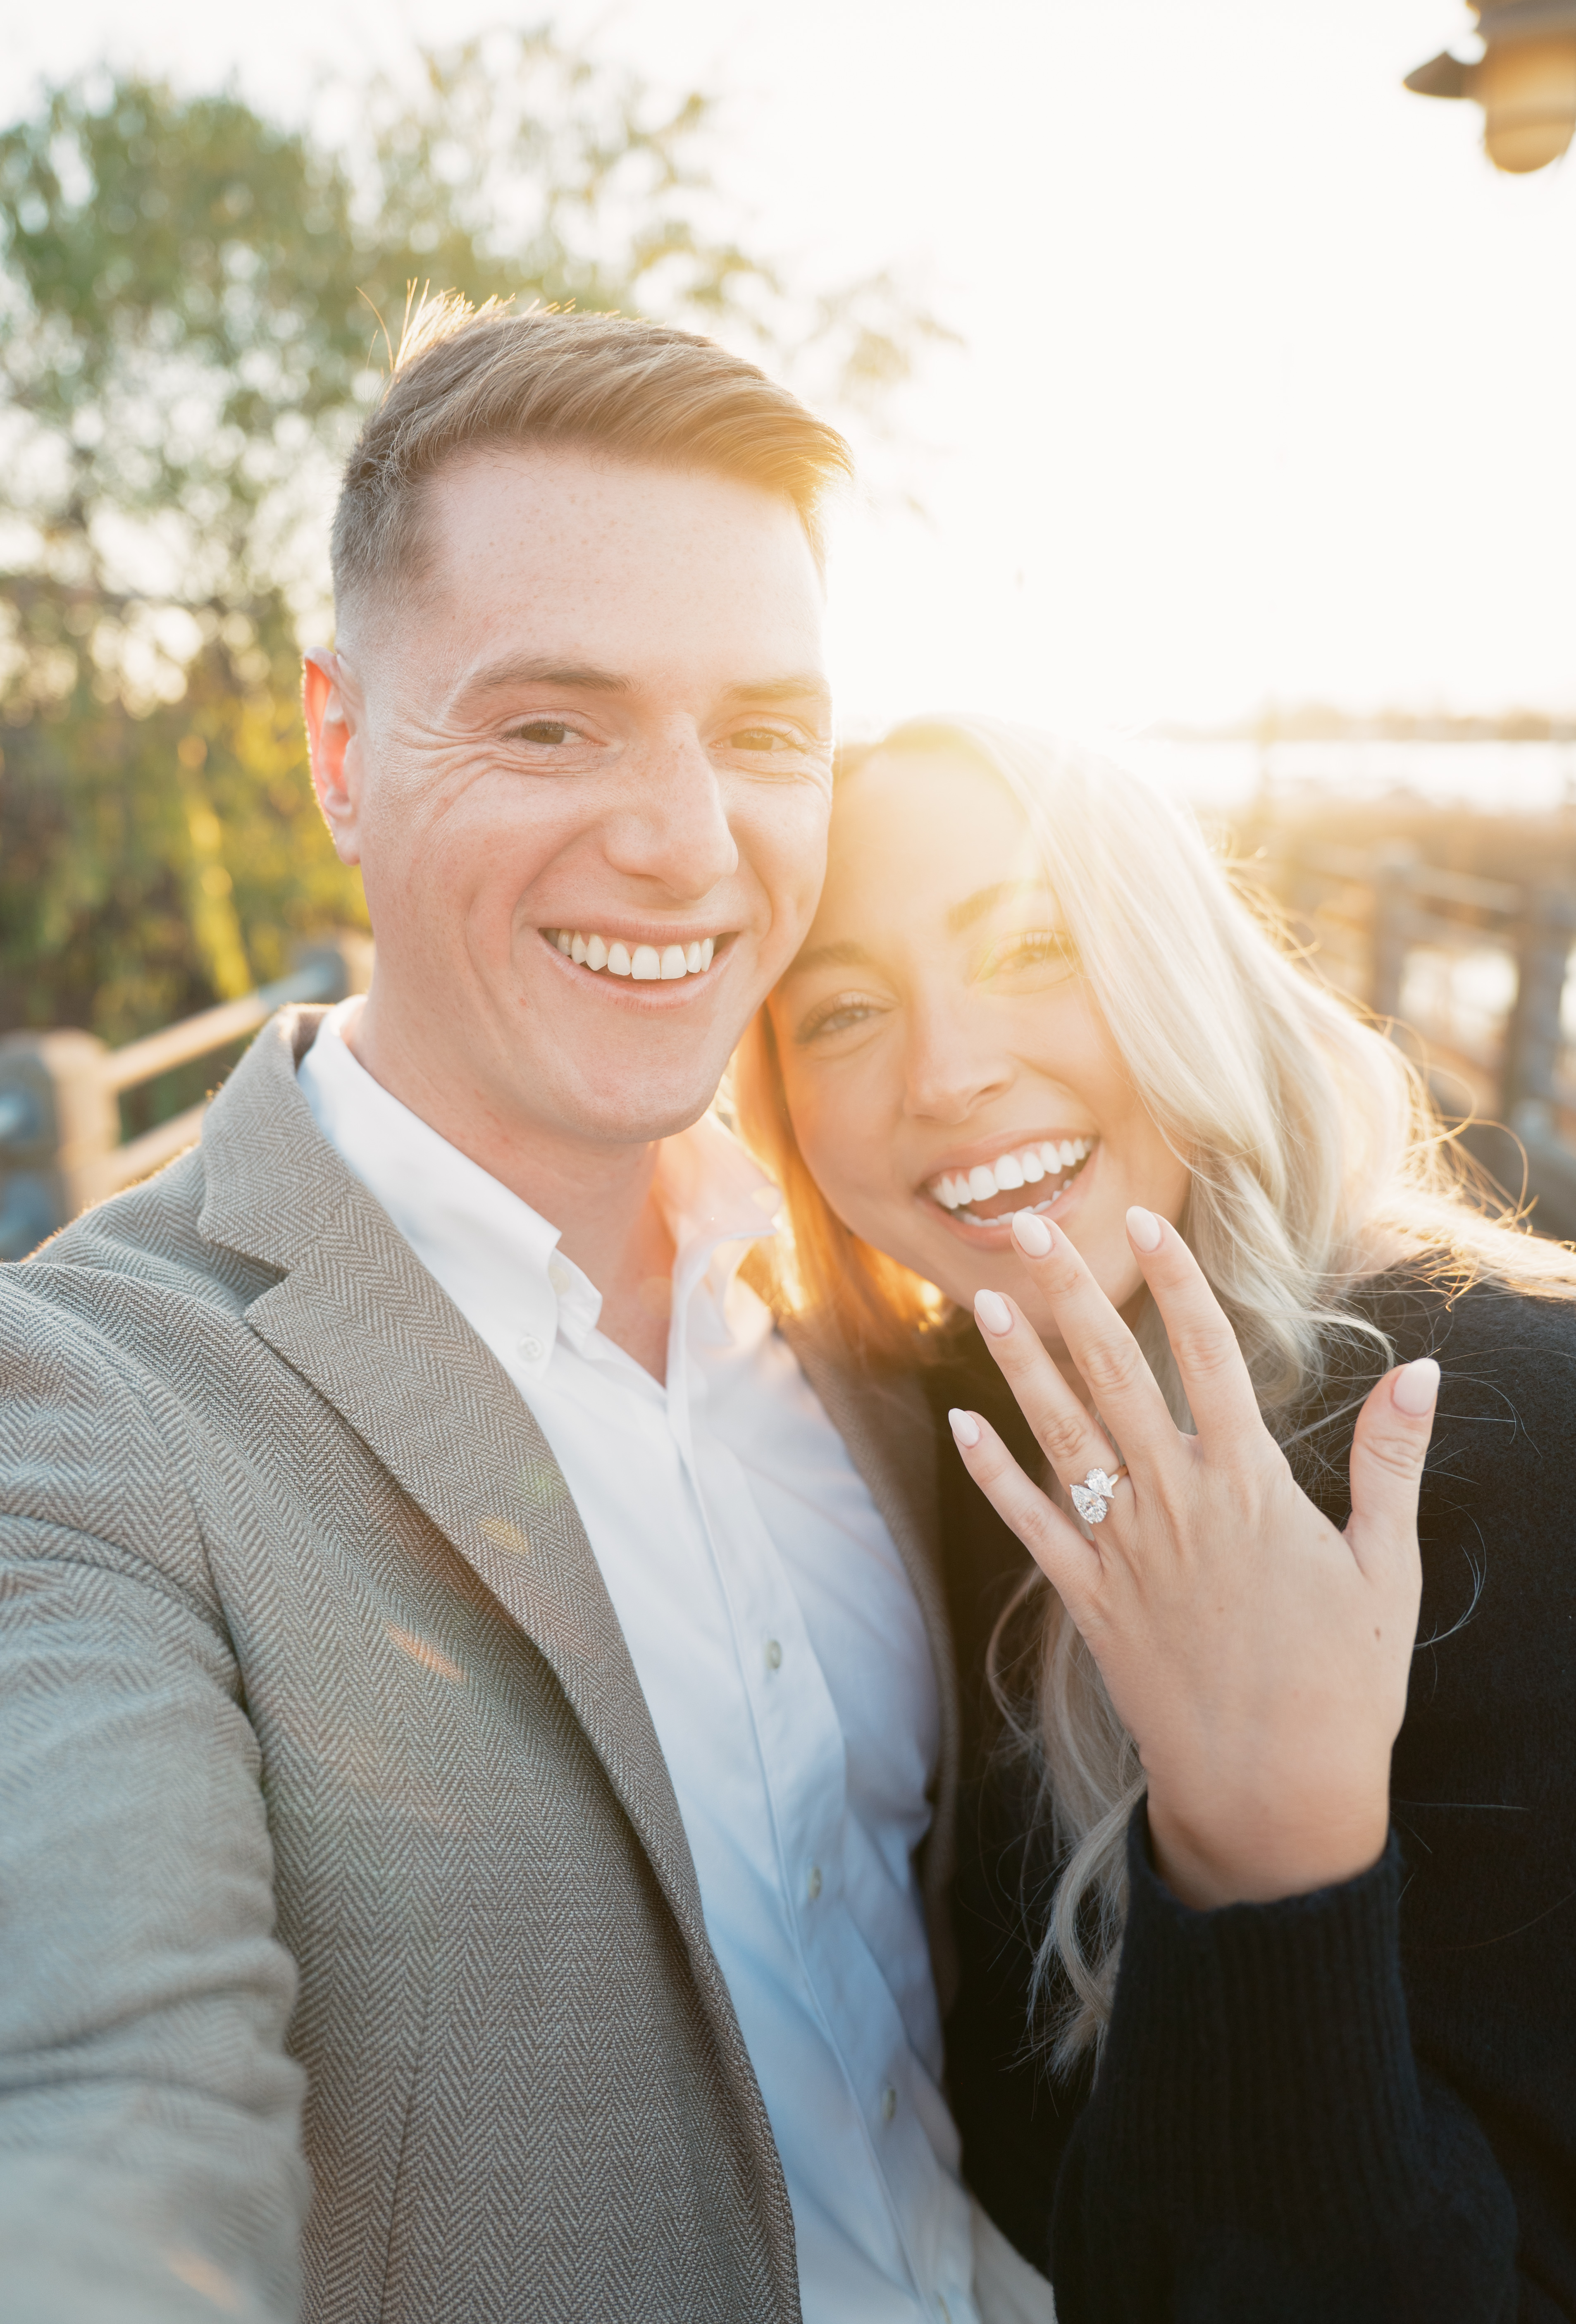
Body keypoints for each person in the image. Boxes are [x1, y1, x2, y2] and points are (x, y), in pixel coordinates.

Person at [0, 309, 1049, 2324]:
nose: (680, 838)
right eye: (550, 725)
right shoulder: (90, 1403)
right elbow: (100, 2117)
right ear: (337, 749)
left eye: (761, 733)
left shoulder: (860, 1318)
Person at [738, 712, 1576, 2320]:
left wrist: (1276, 1854)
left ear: (1177, 962)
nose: (951, 1068)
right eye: (842, 1007)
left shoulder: (1512, 1440)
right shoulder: (913, 1437)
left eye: (1035, 943)